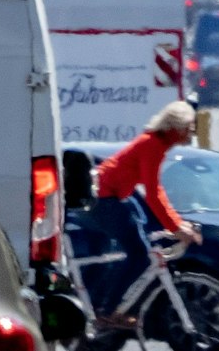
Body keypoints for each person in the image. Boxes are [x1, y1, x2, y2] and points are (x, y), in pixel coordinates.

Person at [88, 102, 203, 327]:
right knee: (139, 254)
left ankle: (101, 303)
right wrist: (177, 228)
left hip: (114, 195)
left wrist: (177, 224)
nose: (191, 133)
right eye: (188, 127)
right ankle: (107, 310)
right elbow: (153, 194)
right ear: (175, 128)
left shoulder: (155, 144)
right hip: (104, 198)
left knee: (141, 237)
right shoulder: (153, 145)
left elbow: (155, 192)